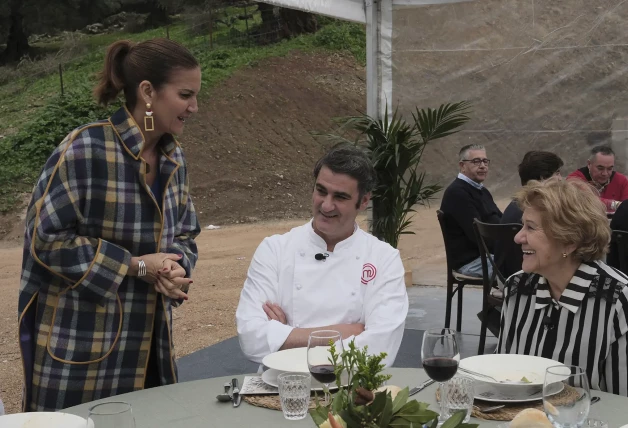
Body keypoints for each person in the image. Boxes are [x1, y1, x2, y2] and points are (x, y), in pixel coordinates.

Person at [18, 38, 201, 411]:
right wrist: (136, 265)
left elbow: (185, 233)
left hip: (151, 351)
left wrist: (174, 266)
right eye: (185, 95)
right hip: (80, 355)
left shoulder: (174, 158)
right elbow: (45, 239)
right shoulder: (84, 148)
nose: (194, 107)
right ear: (148, 92)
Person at [235, 145, 409, 367]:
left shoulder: (383, 258)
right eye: (321, 191)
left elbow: (380, 350)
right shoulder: (275, 249)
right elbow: (251, 338)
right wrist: (347, 332)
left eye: (340, 197)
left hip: (352, 389)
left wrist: (285, 336)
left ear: (364, 201)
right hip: (280, 386)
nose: (326, 205)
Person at [497, 179, 628, 396]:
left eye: (530, 227)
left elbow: (623, 405)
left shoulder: (617, 299)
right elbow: (503, 377)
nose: (518, 237)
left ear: (569, 241)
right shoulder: (517, 287)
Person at [497, 151, 563, 279]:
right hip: (521, 279)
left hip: (502, 274)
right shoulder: (535, 211)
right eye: (558, 173)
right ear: (543, 177)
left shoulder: (516, 204)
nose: (561, 178)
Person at [439, 144, 502, 278]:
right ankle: (506, 297)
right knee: (524, 268)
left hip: (488, 256)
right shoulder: (457, 193)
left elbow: (501, 220)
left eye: (485, 161)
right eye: (476, 161)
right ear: (462, 166)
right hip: (472, 262)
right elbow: (478, 235)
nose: (483, 166)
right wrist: (507, 250)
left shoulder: (481, 190)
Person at [567, 145, 628, 212]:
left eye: (610, 168)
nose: (605, 173)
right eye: (600, 168)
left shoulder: (621, 181)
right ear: (589, 164)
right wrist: (615, 205)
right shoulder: (574, 179)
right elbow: (585, 201)